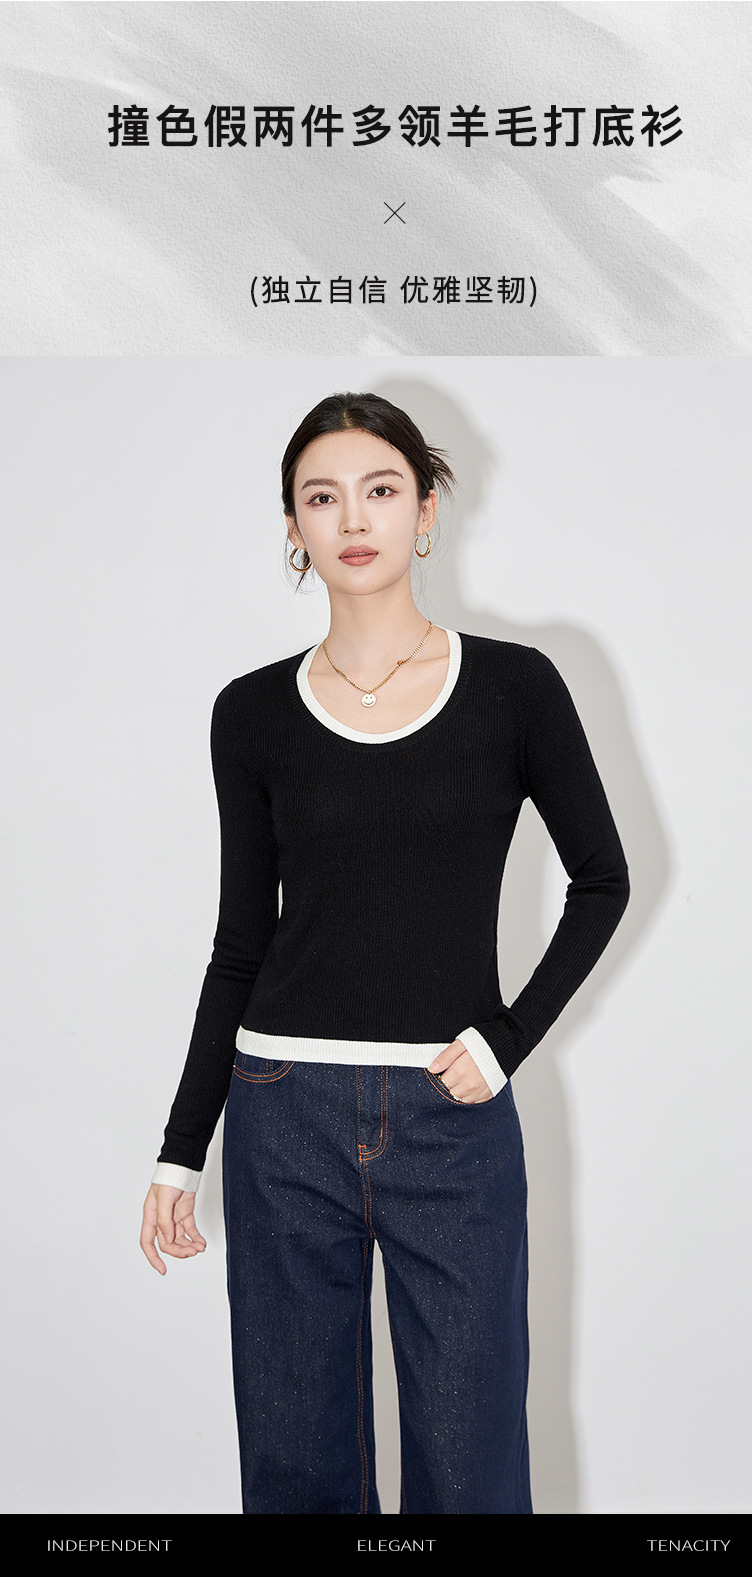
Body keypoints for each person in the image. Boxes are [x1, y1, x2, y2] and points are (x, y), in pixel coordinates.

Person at [140, 391, 629, 1515]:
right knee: (295, 1466)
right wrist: (179, 1150)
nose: (352, 518)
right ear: (293, 526)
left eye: (380, 489)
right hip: (281, 1114)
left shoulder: (515, 687)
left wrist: (505, 1040)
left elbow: (603, 880)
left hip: (451, 1116)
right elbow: (239, 943)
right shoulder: (251, 713)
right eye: (321, 497)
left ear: (427, 507)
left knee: (470, 1466)